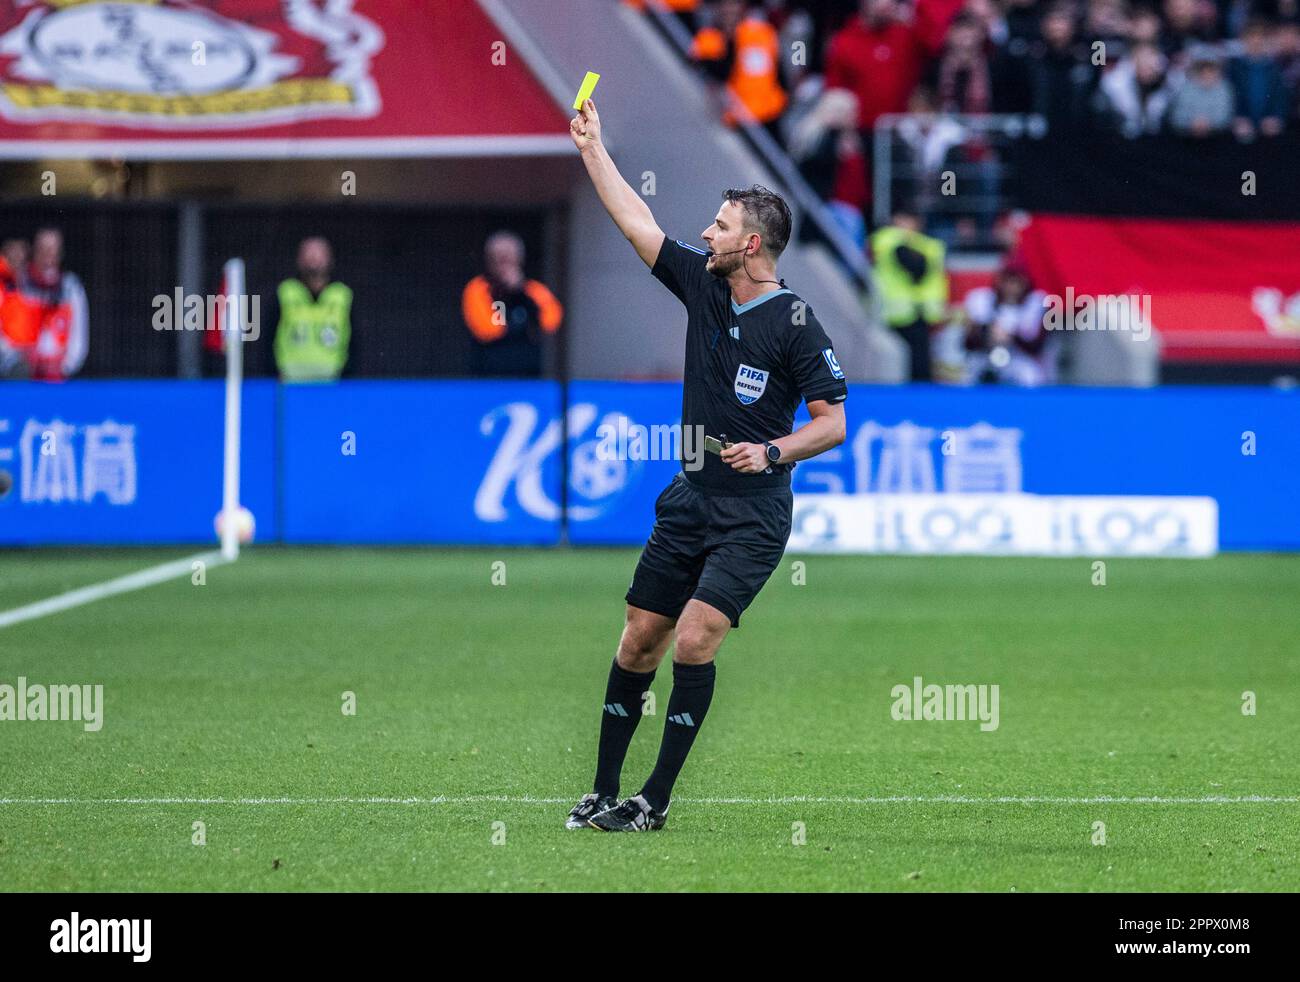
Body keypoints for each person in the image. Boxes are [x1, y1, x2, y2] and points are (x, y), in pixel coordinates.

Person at [565, 97, 848, 832]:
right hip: (689, 496)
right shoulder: (704, 283)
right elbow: (637, 224)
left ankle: (652, 802)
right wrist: (593, 148)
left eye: (719, 226)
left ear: (752, 244)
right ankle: (600, 788)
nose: (704, 233)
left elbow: (834, 424)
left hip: (753, 515)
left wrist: (776, 450)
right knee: (639, 637)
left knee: (693, 638)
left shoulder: (795, 324)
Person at [461, 232, 563, 378]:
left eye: (509, 257)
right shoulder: (478, 288)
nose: (505, 263)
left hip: (529, 373)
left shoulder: (533, 290)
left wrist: (519, 291)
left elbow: (550, 321)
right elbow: (488, 330)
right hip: (489, 374)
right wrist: (503, 292)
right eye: (499, 258)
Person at [869, 209, 948, 381]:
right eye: (902, 219)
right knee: (898, 366)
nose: (905, 225)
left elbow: (923, 270)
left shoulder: (930, 245)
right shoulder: (886, 240)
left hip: (922, 314)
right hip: (893, 313)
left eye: (910, 220)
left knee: (920, 364)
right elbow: (913, 264)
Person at [272, 237, 352, 382]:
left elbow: (354, 341)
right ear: (299, 259)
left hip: (333, 382)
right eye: (308, 254)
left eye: (318, 254)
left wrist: (347, 377)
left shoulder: (342, 294)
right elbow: (268, 337)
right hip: (289, 381)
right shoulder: (285, 292)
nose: (314, 260)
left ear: (330, 259)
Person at [961, 261, 1052, 385]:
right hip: (984, 357)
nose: (1011, 287)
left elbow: (1036, 347)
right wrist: (985, 332)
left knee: (1030, 377)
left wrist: (1011, 336)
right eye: (1008, 281)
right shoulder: (981, 299)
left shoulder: (1036, 303)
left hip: (1018, 358)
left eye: (1017, 282)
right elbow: (968, 344)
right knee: (966, 377)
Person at [24, 228, 88, 381]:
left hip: (59, 380)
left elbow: (79, 338)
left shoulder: (71, 287)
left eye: (53, 249)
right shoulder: (19, 285)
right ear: (33, 251)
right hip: (21, 378)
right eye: (43, 249)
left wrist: (63, 367)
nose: (48, 255)